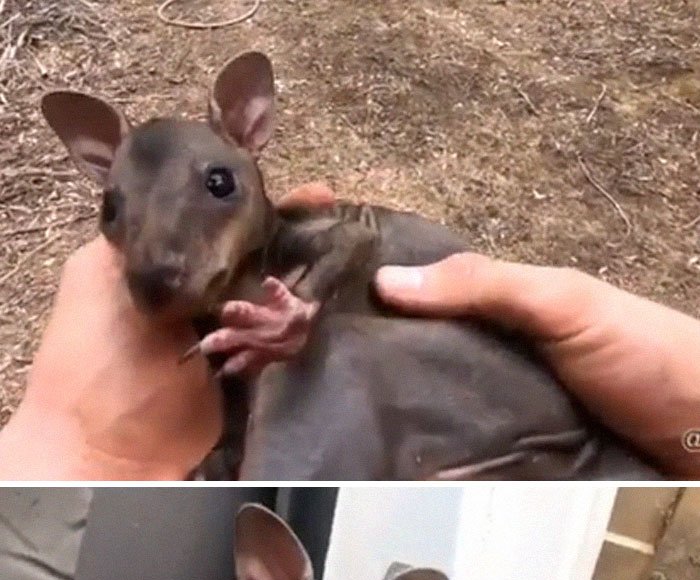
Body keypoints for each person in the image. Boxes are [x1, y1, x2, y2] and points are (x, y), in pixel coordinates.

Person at [0, 183, 697, 480]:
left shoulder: (312, 250)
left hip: (517, 418)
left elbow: (353, 246)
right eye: (118, 211)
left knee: (321, 356)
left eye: (217, 187)